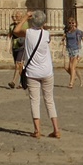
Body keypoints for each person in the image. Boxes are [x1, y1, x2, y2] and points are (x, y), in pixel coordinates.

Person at [23, 10, 60, 138]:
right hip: (47, 71)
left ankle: (37, 130)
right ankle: (56, 129)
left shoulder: (27, 33)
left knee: (35, 101)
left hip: (32, 72)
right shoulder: (47, 34)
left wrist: (25, 17)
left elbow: (16, 31)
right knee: (50, 100)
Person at [7, 8, 29, 89]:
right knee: (19, 65)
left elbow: (23, 32)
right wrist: (9, 46)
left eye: (18, 16)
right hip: (15, 46)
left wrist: (18, 25)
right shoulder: (12, 26)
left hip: (22, 46)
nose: (16, 17)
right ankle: (23, 82)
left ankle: (13, 81)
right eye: (15, 16)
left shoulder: (25, 24)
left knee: (18, 64)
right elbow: (9, 36)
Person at [65, 16, 83, 88]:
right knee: (66, 67)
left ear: (76, 23)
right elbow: (65, 40)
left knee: (72, 67)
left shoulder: (79, 32)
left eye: (73, 23)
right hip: (69, 50)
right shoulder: (67, 32)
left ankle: (71, 83)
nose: (71, 24)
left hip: (77, 50)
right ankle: (79, 79)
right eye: (70, 23)